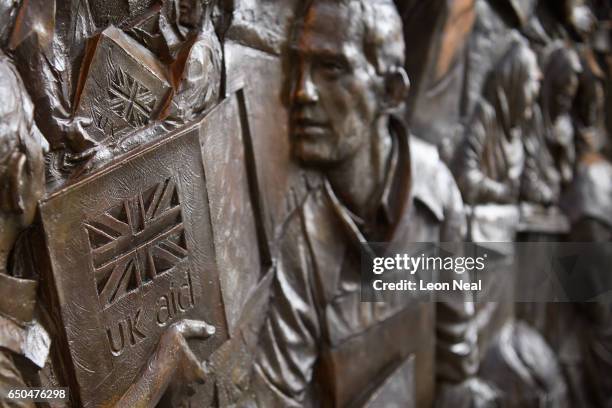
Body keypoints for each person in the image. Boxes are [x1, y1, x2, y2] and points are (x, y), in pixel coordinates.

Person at [251, 1, 491, 406]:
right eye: (298, 66)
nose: (300, 92)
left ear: (391, 91)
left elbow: (456, 359)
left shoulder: (437, 189)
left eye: (330, 69)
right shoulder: (301, 239)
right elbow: (278, 396)